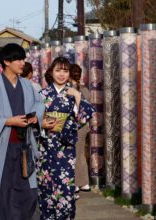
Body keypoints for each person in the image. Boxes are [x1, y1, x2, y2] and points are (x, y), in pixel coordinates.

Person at [0, 43, 45, 220]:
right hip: (2, 149)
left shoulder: (27, 86)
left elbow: (38, 105)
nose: (22, 63)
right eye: (18, 59)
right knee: (3, 193)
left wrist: (36, 117)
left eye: (23, 59)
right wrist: (7, 121)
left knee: (28, 194)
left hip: (24, 147)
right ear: (6, 61)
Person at [37, 57, 95, 219]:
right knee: (47, 188)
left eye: (65, 71)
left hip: (66, 148)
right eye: (58, 70)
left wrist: (77, 96)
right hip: (46, 147)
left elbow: (85, 116)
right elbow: (32, 119)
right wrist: (41, 124)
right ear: (51, 72)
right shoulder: (42, 94)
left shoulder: (72, 93)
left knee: (66, 191)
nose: (62, 75)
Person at [69, 64, 92, 194]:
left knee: (71, 154)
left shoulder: (68, 90)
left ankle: (76, 183)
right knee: (81, 154)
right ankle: (85, 183)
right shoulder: (85, 90)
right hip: (83, 126)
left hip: (71, 125)